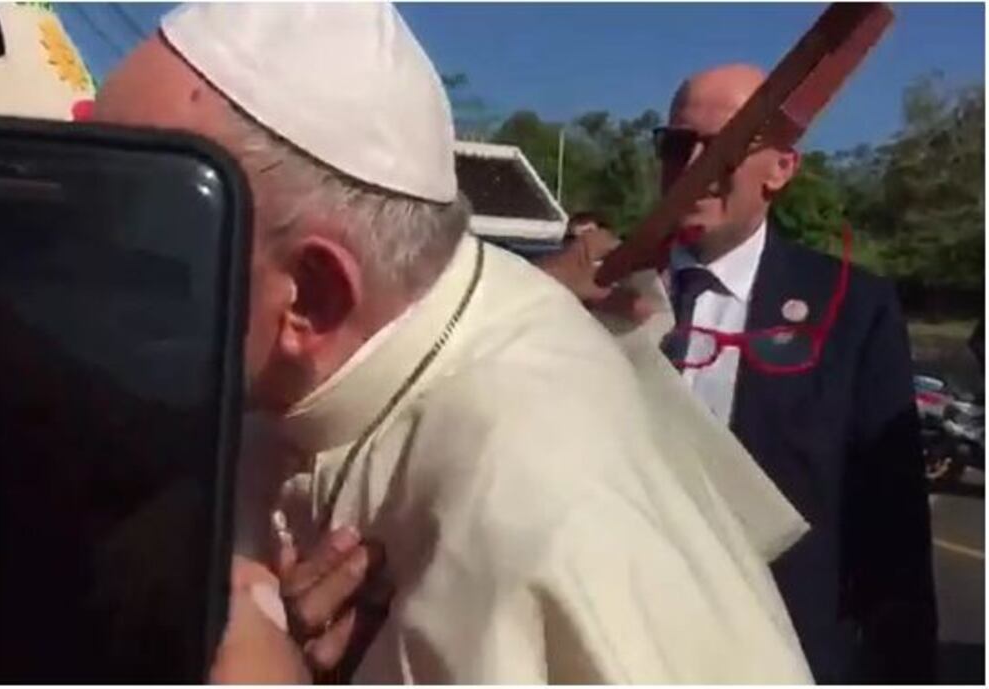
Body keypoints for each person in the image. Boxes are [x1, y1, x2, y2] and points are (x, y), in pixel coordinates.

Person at [94, 4, 814, 682]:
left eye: (143, 247)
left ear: (311, 297)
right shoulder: (324, 345)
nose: (93, 275)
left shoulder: (537, 507)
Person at [550, 64, 937, 683]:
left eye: (723, 148)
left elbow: (892, 523)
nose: (694, 166)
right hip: (611, 644)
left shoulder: (852, 308)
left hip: (775, 650)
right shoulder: (595, 291)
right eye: (677, 145)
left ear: (780, 169)